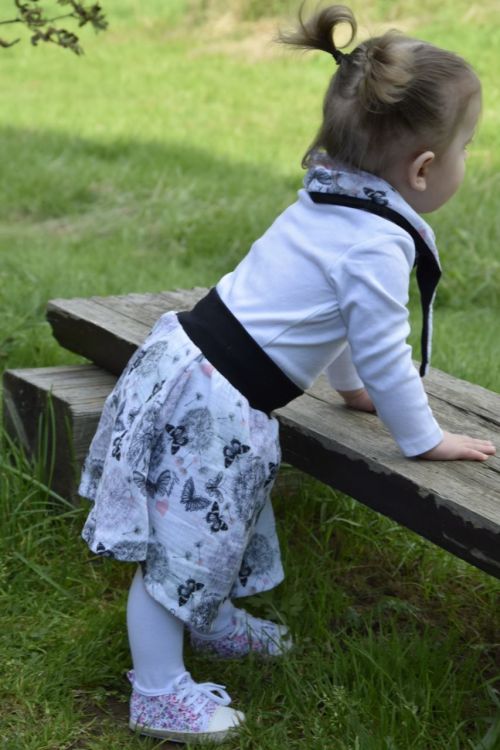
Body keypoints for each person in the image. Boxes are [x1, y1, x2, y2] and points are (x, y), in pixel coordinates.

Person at [78, 4, 496, 744]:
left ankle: (210, 621)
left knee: (210, 526)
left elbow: (340, 322)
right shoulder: (376, 241)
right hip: (213, 396)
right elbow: (385, 349)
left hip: (195, 369)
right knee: (176, 552)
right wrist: (424, 438)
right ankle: (158, 691)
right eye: (467, 146)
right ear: (424, 169)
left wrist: (349, 391)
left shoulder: (333, 196)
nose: (468, 160)